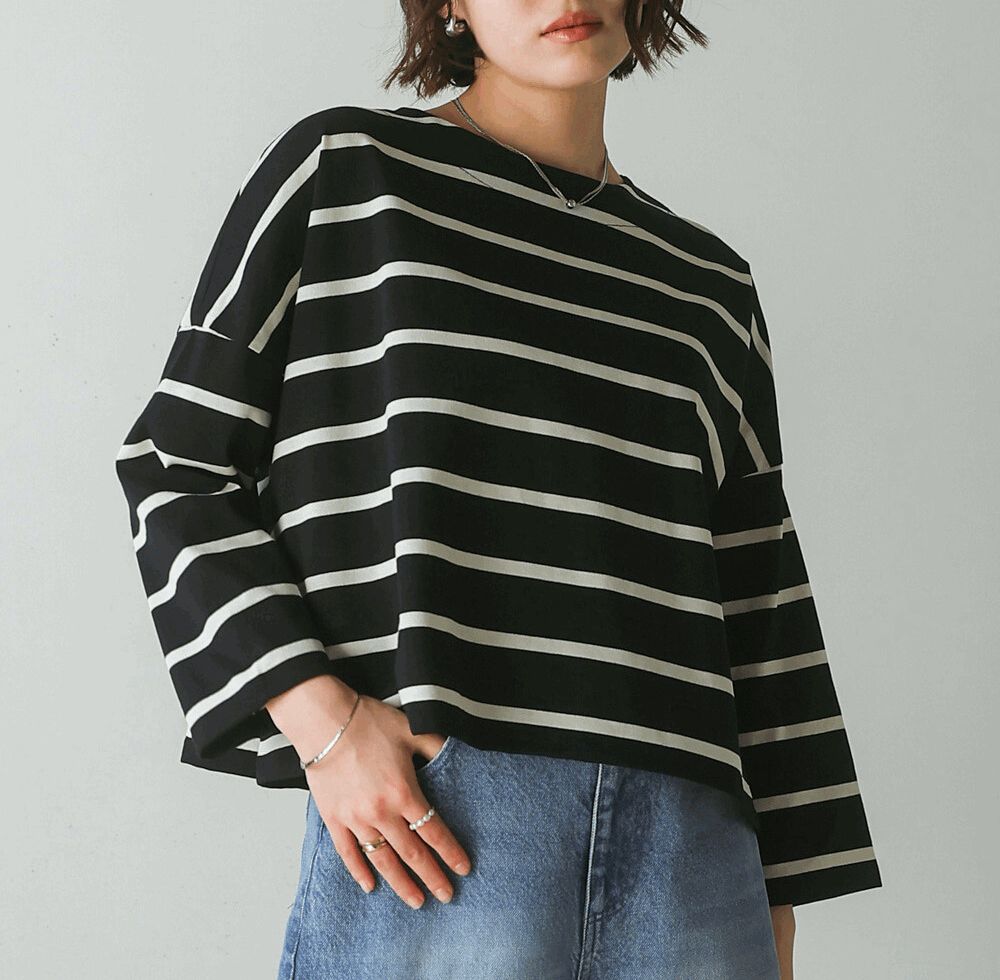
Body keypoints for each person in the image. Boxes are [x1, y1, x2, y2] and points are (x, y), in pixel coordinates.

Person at [114, 2, 882, 977]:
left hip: (695, 852)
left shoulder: (708, 285)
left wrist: (776, 903)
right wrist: (326, 726)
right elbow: (176, 466)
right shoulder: (347, 174)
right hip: (446, 822)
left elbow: (761, 605)